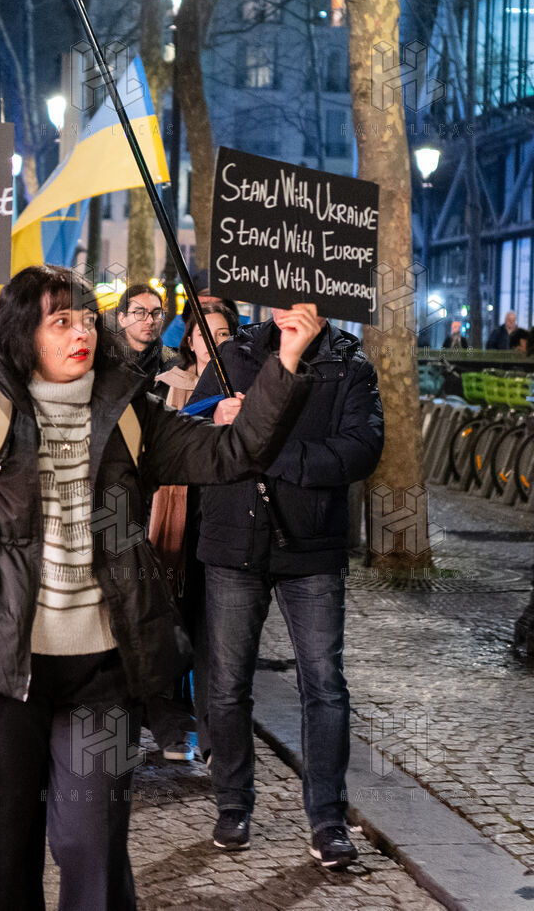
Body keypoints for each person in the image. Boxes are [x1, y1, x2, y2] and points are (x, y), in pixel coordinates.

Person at [0, 264, 318, 911]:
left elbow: (234, 452)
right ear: (23, 332)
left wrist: (286, 360)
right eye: (60, 322)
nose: (80, 333)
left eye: (85, 320)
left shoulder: (132, 414)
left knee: (94, 851)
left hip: (102, 674)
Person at [193, 312, 384, 866]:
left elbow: (361, 449)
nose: (288, 305)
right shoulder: (234, 354)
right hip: (232, 539)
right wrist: (215, 417)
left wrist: (271, 452)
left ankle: (327, 818)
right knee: (228, 683)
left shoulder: (350, 364)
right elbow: (186, 427)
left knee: (324, 684)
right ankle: (233, 804)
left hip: (312, 547)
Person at [146, 301, 239, 761]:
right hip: (175, 522)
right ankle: (169, 723)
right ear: (190, 340)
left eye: (222, 334)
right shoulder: (168, 385)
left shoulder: (242, 387)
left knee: (211, 634)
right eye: (204, 333)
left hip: (222, 522)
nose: (212, 342)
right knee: (169, 623)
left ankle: (210, 735)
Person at [114, 285, 177, 391]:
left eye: (157, 313)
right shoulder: (105, 362)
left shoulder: (176, 366)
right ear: (122, 319)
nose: (150, 321)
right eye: (140, 313)